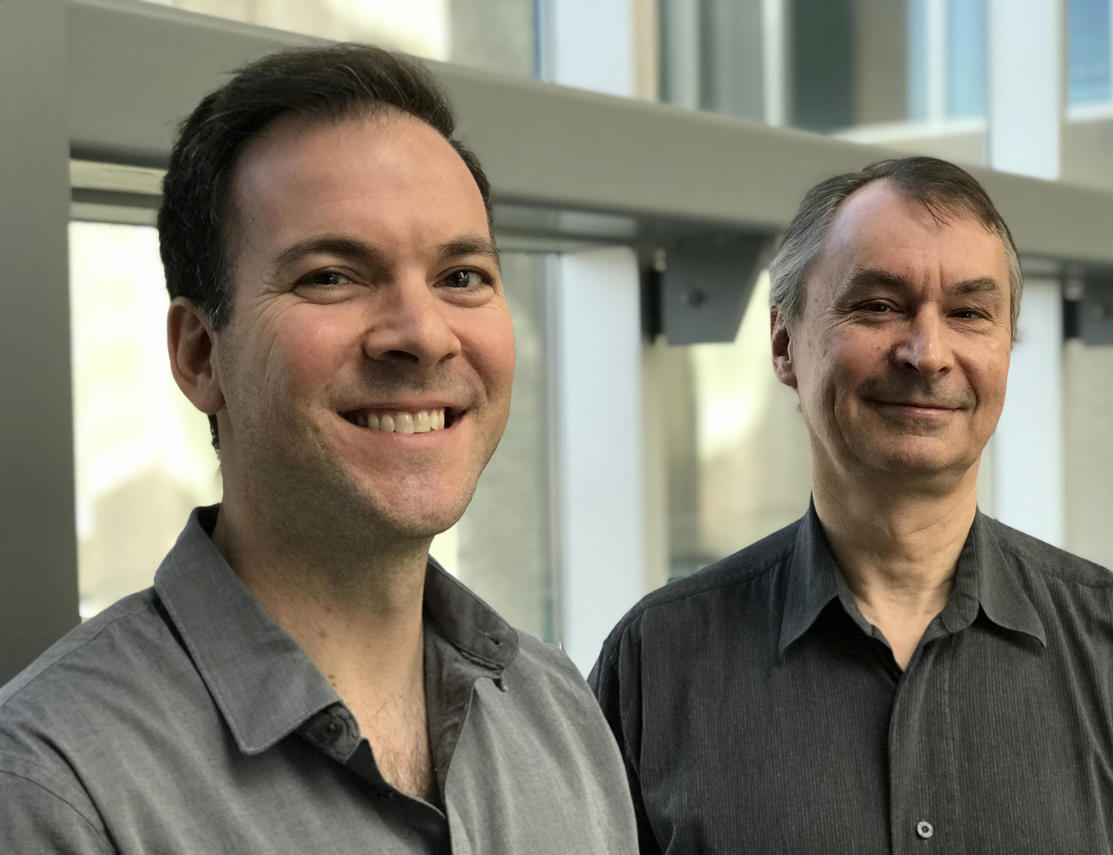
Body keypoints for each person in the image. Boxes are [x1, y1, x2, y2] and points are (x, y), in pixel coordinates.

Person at [0, 44, 636, 854]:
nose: (422, 334)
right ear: (201, 354)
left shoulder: (557, 712)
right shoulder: (53, 788)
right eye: (332, 276)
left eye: (462, 276)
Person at [591, 156, 1113, 853]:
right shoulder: (656, 661)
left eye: (970, 313)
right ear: (785, 343)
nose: (928, 352)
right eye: (879, 306)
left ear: (1005, 349)